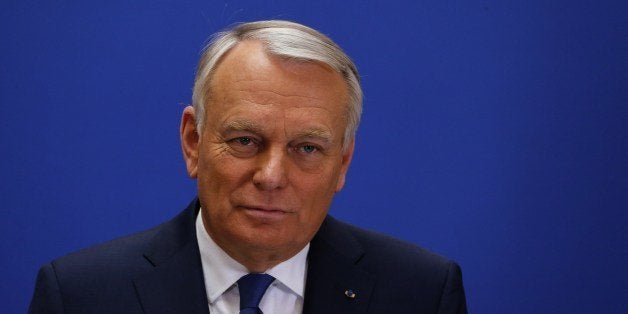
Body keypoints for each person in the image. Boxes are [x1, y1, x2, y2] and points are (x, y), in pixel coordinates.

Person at [29, 20, 467, 313]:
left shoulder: (422, 293)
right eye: (244, 141)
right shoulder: (80, 295)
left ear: (343, 162)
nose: (272, 176)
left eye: (307, 148)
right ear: (193, 142)